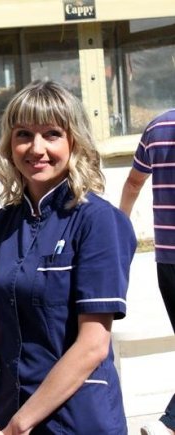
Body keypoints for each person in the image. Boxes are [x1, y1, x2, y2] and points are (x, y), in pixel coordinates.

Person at [0, 80, 136, 434]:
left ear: (74, 141)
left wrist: (21, 423)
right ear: (9, 144)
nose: (36, 148)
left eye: (52, 134)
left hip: (76, 420)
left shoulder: (98, 221)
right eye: (24, 134)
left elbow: (93, 345)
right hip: (7, 415)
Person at [120, 109, 175, 435]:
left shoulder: (157, 127)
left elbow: (133, 182)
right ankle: (169, 422)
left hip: (167, 258)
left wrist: (120, 226)